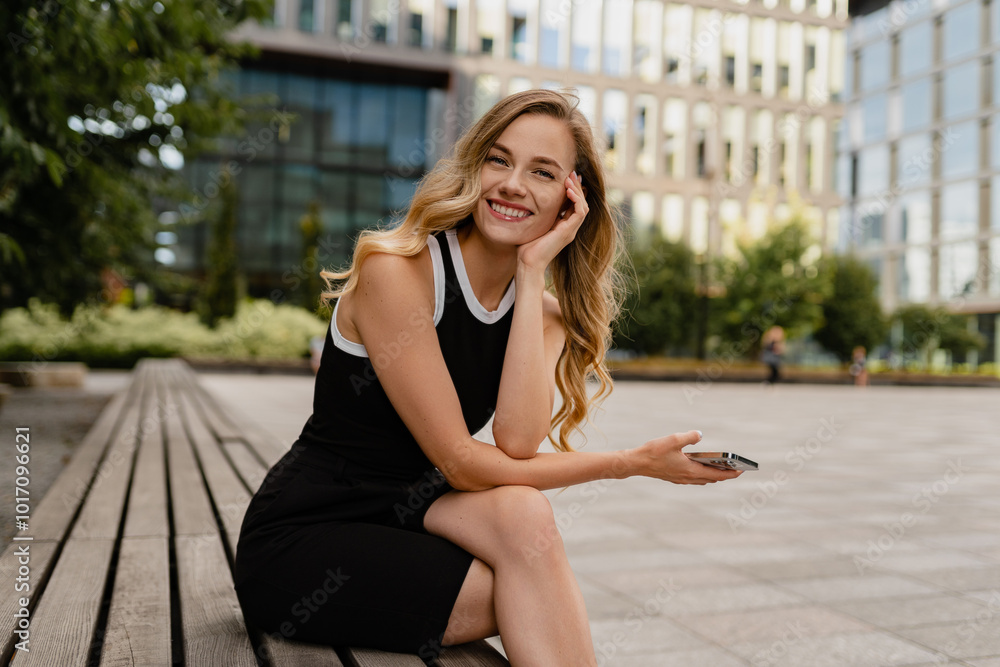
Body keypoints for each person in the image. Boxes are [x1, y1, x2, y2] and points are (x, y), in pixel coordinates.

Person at [233, 89, 743, 666]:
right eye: (499, 160)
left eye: (542, 173)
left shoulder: (542, 312)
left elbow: (518, 444)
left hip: (413, 511)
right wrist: (629, 464)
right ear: (474, 168)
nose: (513, 184)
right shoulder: (398, 273)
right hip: (307, 533)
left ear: (571, 202)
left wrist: (530, 276)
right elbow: (460, 462)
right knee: (523, 595)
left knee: (525, 516)